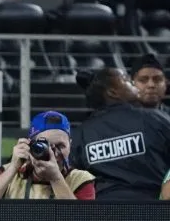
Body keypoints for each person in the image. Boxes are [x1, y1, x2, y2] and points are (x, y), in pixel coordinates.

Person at [70, 68, 170, 200]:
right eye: (127, 80)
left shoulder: (80, 135)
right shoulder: (155, 119)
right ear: (113, 92)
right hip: (154, 212)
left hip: (102, 214)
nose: (133, 84)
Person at [0, 111, 95, 200]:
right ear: (30, 145)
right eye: (44, 145)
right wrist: (13, 168)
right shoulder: (12, 174)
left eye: (60, 146)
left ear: (70, 145)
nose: (53, 153)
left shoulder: (80, 179)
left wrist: (55, 178)